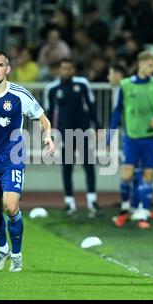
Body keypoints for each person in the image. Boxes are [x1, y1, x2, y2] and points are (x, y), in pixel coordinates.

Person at [0, 50, 54, 272]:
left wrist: (48, 136)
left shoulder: (19, 95)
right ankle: (3, 249)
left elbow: (43, 120)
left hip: (12, 159)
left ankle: (17, 254)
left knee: (10, 206)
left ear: (8, 69)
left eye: (0, 65)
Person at [107, 50, 153, 229]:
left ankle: (143, 211)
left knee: (148, 174)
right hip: (132, 137)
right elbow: (117, 110)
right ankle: (126, 207)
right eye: (150, 65)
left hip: (151, 137)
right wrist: (110, 134)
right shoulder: (126, 85)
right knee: (127, 174)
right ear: (140, 63)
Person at [44, 58, 102, 217]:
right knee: (67, 167)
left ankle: (92, 201)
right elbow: (49, 113)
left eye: (69, 69)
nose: (66, 71)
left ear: (73, 70)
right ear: (59, 70)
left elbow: (91, 105)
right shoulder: (52, 89)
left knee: (88, 165)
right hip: (65, 133)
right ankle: (70, 203)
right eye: (63, 69)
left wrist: (98, 125)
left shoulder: (82, 84)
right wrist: (50, 133)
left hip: (83, 130)